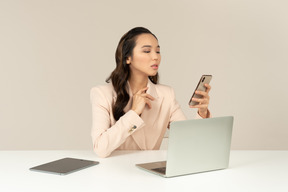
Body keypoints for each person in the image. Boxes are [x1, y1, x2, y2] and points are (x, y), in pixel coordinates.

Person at [90, 27, 211, 158]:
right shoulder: (102, 94)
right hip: (116, 172)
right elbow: (101, 149)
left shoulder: (167, 95)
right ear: (128, 58)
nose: (155, 57)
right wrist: (134, 112)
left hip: (150, 171)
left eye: (158, 51)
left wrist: (202, 113)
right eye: (147, 51)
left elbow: (189, 141)